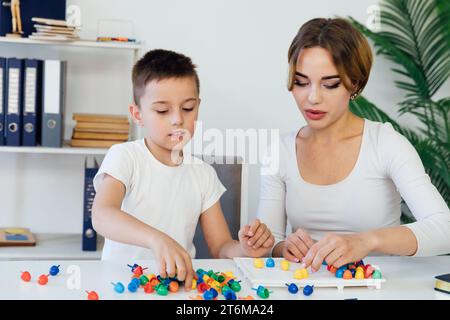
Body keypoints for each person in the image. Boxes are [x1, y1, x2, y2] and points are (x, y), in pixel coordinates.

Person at [257, 18, 450, 273]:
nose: (312, 98)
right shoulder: (280, 150)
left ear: (355, 83)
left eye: (330, 84)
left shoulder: (385, 144)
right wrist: (283, 247)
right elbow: (271, 242)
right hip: (306, 288)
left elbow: (444, 228)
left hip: (381, 289)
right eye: (302, 82)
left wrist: (368, 241)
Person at [92, 49, 274, 290]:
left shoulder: (203, 174)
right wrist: (157, 240)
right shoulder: (125, 156)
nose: (177, 119)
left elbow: (220, 246)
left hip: (176, 289)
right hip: (121, 287)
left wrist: (245, 249)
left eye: (187, 108)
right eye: (162, 111)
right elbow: (102, 215)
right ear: (138, 114)